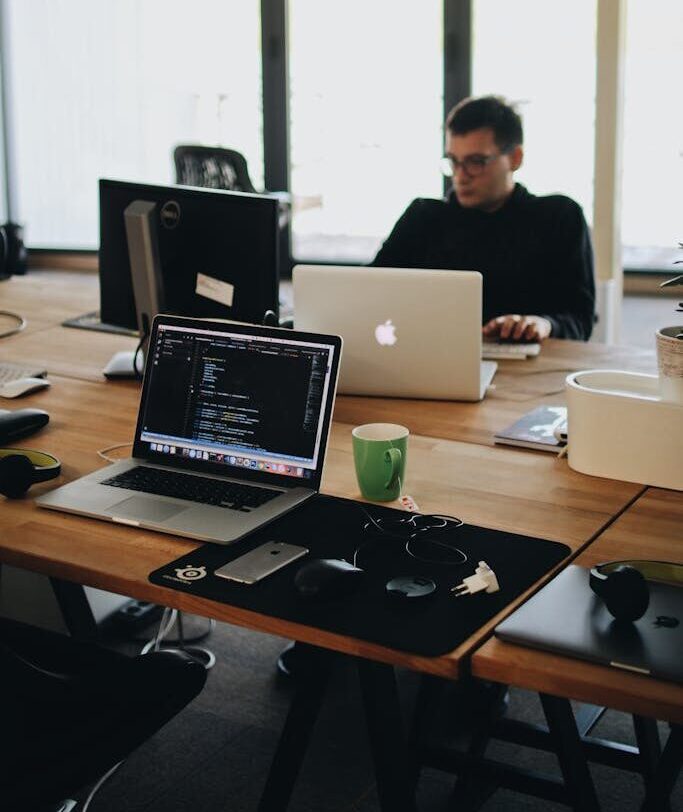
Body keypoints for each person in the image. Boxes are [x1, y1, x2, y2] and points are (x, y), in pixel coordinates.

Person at [372, 95, 595, 342]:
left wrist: (543, 324)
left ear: (515, 158)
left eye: (476, 162)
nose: (460, 176)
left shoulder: (559, 217)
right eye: (454, 162)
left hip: (531, 369)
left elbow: (580, 320)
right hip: (433, 362)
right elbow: (369, 291)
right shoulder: (423, 218)